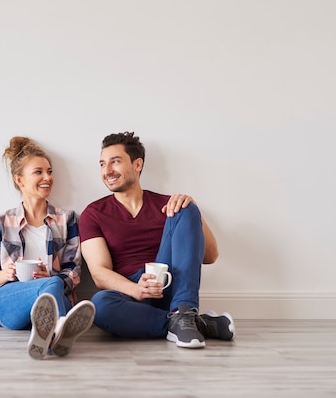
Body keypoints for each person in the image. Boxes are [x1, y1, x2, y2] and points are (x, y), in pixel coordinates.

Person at [79, 131, 235, 349]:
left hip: (172, 286)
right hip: (131, 295)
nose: (107, 171)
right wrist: (135, 289)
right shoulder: (93, 213)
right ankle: (194, 323)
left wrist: (193, 210)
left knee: (185, 205)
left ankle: (183, 311)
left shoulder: (169, 205)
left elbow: (210, 256)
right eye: (102, 164)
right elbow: (99, 273)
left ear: (137, 164)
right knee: (100, 305)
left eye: (115, 162)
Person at [0, 136, 95, 359]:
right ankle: (61, 328)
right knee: (51, 283)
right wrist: (6, 273)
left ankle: (48, 334)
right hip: (11, 301)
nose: (47, 178)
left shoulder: (67, 219)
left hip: (53, 295)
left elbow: (75, 271)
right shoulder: (1, 221)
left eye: (49, 172)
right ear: (19, 180)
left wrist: (49, 276)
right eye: (38, 172)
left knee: (51, 282)